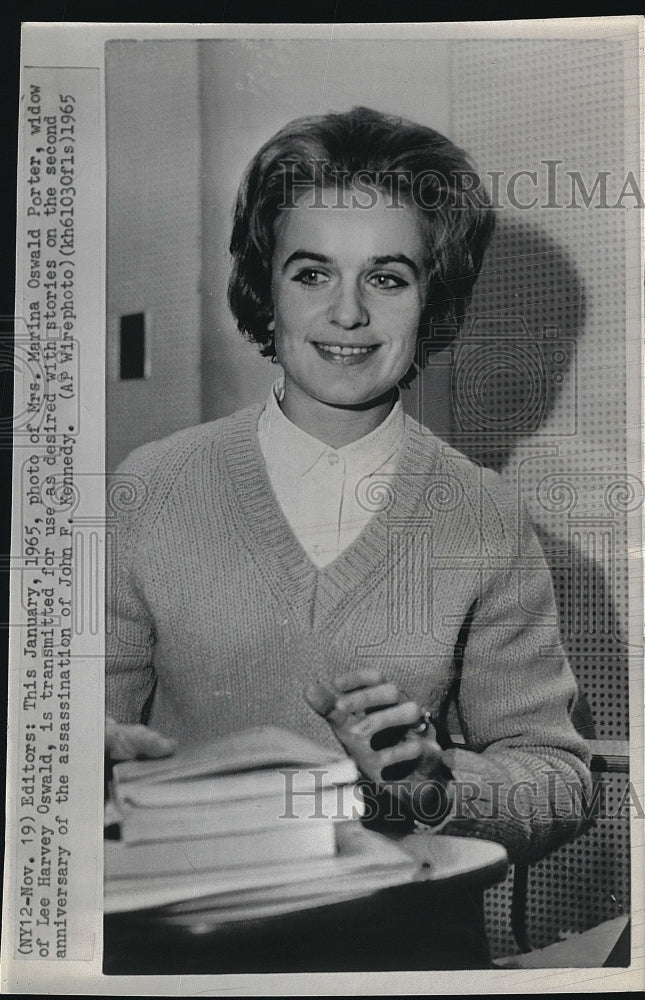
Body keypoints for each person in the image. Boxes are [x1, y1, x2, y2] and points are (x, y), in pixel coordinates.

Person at [106, 106, 591, 873]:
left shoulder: (484, 516)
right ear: (265, 285)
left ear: (434, 299)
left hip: (399, 959)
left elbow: (561, 784)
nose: (347, 313)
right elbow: (63, 738)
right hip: (189, 960)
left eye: (387, 278)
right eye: (312, 272)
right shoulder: (150, 487)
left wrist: (431, 783)